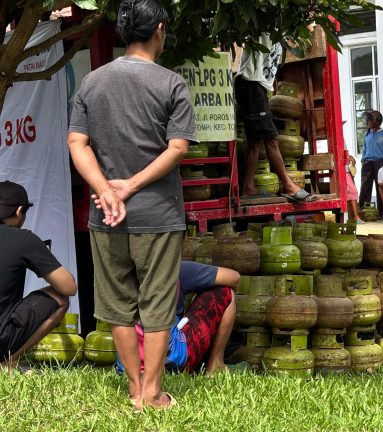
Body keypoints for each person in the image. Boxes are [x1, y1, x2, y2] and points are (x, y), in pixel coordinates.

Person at [67, 0, 195, 409]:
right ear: (159, 29)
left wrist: (105, 191)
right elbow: (177, 148)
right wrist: (128, 187)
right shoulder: (172, 84)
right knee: (156, 303)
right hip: (157, 213)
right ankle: (153, 395)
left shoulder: (92, 82)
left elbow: (76, 143)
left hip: (106, 216)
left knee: (118, 305)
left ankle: (135, 390)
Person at [0, 181, 77, 370]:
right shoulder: (23, 239)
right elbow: (69, 287)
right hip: (2, 340)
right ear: (19, 211)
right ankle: (8, 362)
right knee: (60, 298)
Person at [234, 35, 316, 202]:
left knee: (255, 141)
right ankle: (288, 185)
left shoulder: (280, 30)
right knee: (271, 139)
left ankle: (248, 188)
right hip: (251, 85)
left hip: (256, 87)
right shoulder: (264, 25)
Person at [176, 261, 239, 374]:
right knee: (224, 291)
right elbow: (234, 278)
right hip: (173, 361)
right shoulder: (176, 268)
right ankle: (215, 364)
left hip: (138, 360)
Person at [358, 110, 383, 217]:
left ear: (377, 121)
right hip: (367, 163)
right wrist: (363, 159)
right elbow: (364, 148)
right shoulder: (367, 134)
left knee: (381, 187)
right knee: (365, 187)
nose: (367, 121)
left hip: (380, 163)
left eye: (370, 119)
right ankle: (363, 211)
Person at [345, 154, 364, 223]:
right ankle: (355, 217)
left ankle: (352, 217)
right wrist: (347, 157)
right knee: (353, 192)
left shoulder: (344, 143)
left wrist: (350, 158)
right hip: (342, 171)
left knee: (350, 193)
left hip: (348, 170)